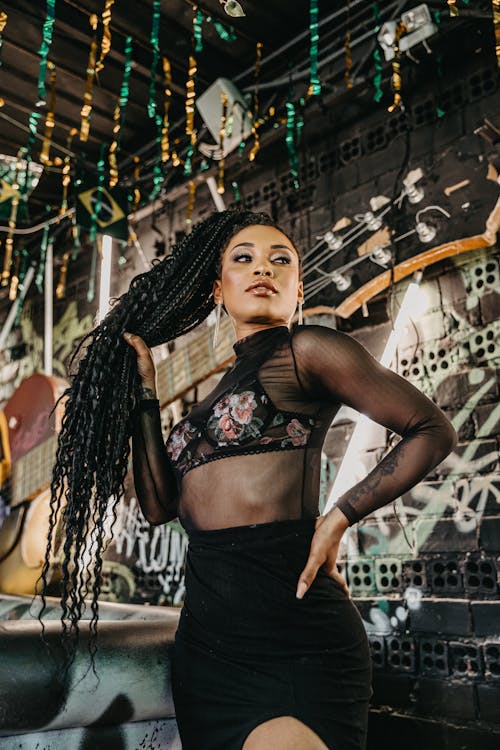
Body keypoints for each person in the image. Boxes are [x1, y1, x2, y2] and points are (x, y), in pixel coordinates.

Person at [41, 210, 456, 750]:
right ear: (218, 289)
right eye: (245, 258)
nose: (264, 267)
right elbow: (159, 505)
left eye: (280, 260)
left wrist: (340, 516)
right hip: (207, 654)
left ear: (298, 288)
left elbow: (431, 430)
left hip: (294, 641)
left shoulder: (305, 351)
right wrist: (146, 394)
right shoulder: (211, 399)